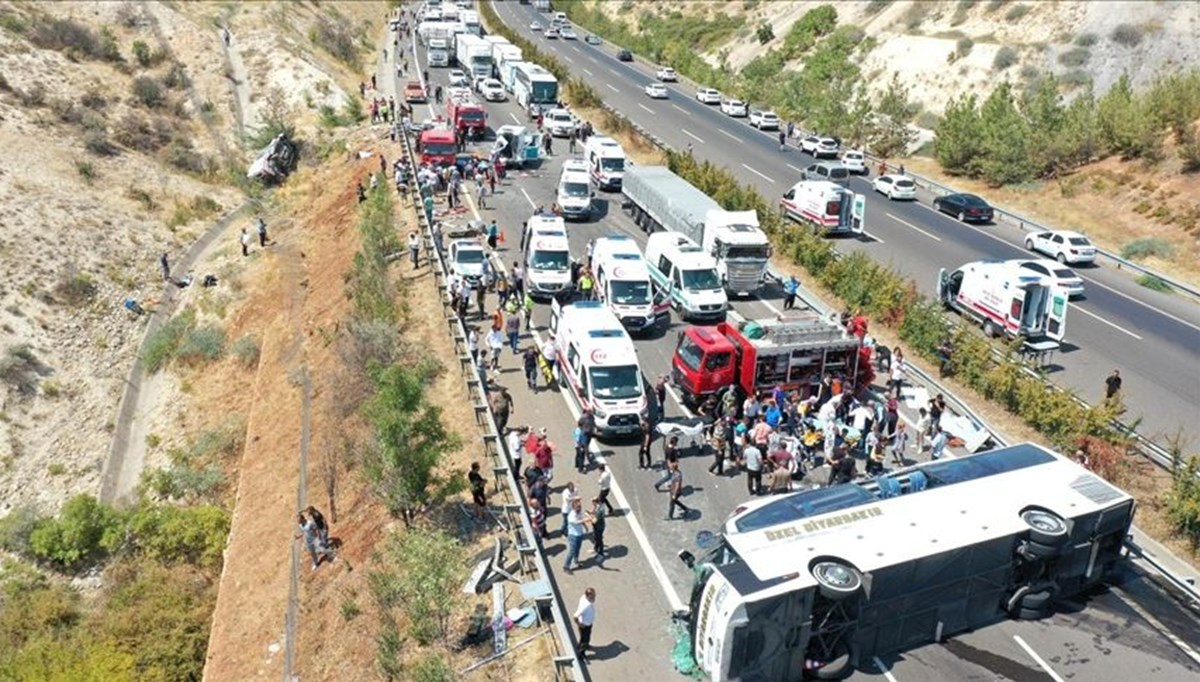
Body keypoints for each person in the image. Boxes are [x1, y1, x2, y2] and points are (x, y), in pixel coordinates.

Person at [563, 497, 587, 572]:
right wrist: (587, 519)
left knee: (577, 549)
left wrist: (585, 526)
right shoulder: (571, 515)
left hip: (579, 534)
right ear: (573, 507)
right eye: (578, 507)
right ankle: (566, 566)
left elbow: (581, 519)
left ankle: (576, 560)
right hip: (573, 535)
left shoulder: (579, 512)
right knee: (572, 550)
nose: (580, 508)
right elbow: (577, 522)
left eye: (580, 506)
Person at [574, 587, 596, 657]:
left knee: (583, 637)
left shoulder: (584, 597)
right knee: (585, 639)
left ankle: (581, 645)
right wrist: (579, 624)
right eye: (593, 596)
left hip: (586, 623)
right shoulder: (586, 605)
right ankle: (581, 654)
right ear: (588, 596)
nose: (594, 597)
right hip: (585, 625)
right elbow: (575, 616)